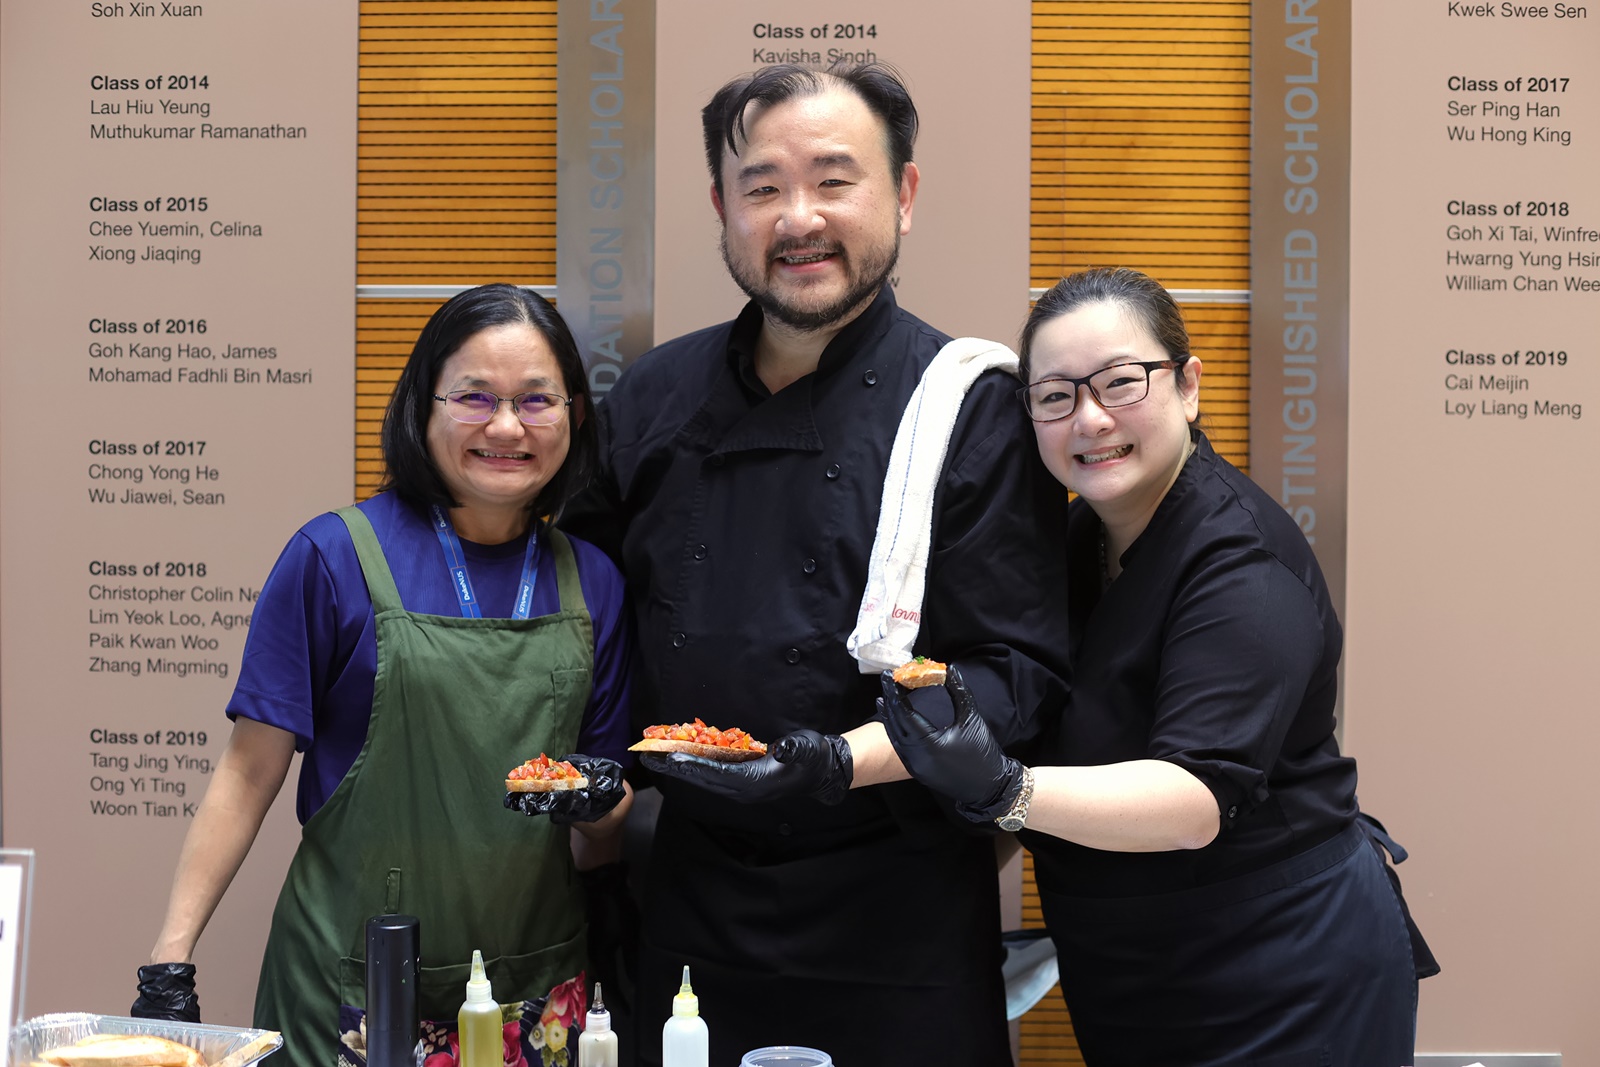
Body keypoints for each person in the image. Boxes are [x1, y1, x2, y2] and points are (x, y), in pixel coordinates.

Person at [560, 62, 1073, 1065]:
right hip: (687, 900)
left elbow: (1015, 679)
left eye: (835, 179)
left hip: (899, 910)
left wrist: (832, 763)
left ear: (904, 196)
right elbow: (585, 620)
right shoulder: (653, 398)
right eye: (761, 187)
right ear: (720, 207)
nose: (798, 217)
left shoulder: (970, 408)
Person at [879, 267, 1439, 1067]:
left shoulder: (1240, 559)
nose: (1091, 418)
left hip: (1282, 964)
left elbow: (1192, 799)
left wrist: (1006, 788)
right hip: (1136, 965)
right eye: (1056, 396)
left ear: (1188, 386)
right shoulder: (1077, 544)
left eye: (1120, 382)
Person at [132, 284, 638, 1067]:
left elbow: (596, 837)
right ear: (422, 406)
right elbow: (247, 772)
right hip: (347, 994)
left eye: (537, 399)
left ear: (574, 411)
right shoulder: (332, 559)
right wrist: (170, 959)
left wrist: (605, 805)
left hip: (533, 996)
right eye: (475, 396)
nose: (507, 426)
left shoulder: (593, 582)